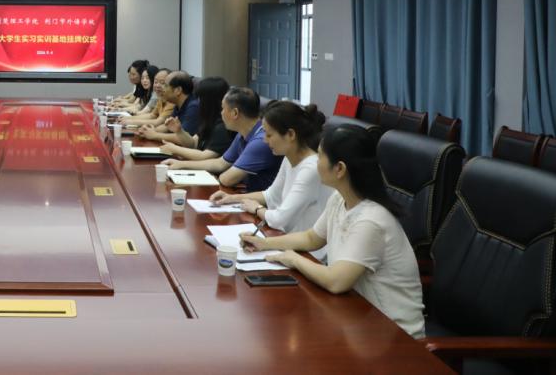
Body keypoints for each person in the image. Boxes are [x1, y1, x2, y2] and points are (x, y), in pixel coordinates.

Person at [240, 123, 423, 338]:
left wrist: (293, 259)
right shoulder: (339, 198)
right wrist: (264, 243)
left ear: (340, 169)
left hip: (394, 336)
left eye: (320, 156)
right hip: (357, 318)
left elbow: (336, 282)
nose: (315, 162)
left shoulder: (371, 220)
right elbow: (312, 238)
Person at [210, 100, 332, 236]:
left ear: (290, 135)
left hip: (305, 246)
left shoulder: (311, 168)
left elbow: (280, 219)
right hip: (286, 237)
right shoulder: (289, 158)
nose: (265, 140)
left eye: (269, 135)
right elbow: (271, 196)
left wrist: (257, 208)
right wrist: (232, 198)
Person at [163, 86, 281, 191]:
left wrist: (221, 175)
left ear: (235, 113)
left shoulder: (261, 141)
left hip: (262, 203)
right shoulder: (243, 132)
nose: (221, 113)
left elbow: (227, 179)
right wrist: (181, 164)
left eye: (223, 109)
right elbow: (220, 163)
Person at [157, 77, 233, 160]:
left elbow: (205, 156)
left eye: (200, 98)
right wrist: (179, 131)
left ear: (209, 101)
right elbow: (193, 144)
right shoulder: (209, 120)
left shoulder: (223, 127)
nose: (197, 102)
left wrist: (175, 149)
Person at [138, 71, 199, 142]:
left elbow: (183, 138)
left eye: (165, 85)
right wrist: (151, 130)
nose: (162, 88)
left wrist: (155, 135)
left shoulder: (193, 107)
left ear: (178, 90)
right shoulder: (178, 104)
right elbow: (167, 126)